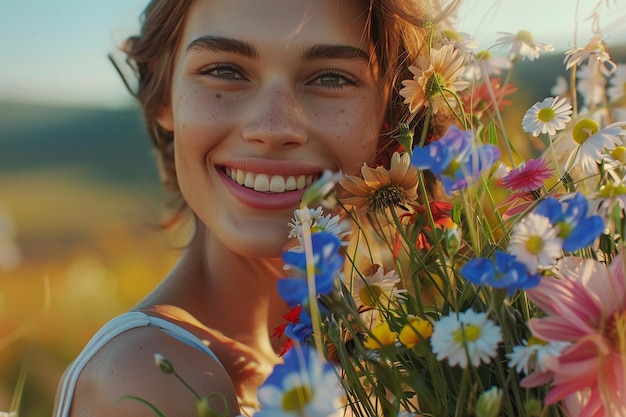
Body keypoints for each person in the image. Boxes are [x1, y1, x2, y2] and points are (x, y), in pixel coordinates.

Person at [53, 0, 458, 415]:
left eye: (332, 78)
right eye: (224, 71)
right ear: (164, 93)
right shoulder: (156, 376)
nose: (272, 128)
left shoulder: (382, 358)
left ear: (395, 115)